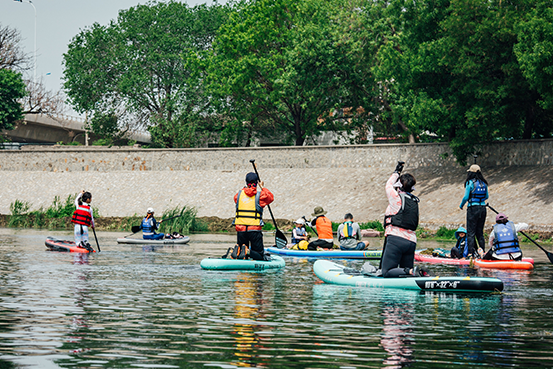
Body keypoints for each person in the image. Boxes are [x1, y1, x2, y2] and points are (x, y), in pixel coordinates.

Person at [373, 162, 428, 278]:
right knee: (405, 274)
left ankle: (411, 272)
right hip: (411, 242)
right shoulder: (414, 201)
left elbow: (388, 185)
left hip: (396, 240)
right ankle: (413, 272)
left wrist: (397, 172)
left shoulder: (396, 198)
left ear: (398, 186)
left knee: (386, 272)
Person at [231, 172, 274, 260]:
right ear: (257, 182)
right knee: (259, 255)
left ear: (246, 182)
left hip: (241, 229)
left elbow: (241, 199)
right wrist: (262, 187)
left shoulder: (238, 195)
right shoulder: (260, 195)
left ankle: (239, 251)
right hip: (254, 229)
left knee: (242, 255)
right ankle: (248, 251)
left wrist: (245, 189)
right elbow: (270, 198)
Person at [459, 164, 488, 258]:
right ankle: (482, 251)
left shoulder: (470, 183)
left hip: (473, 209)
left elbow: (466, 197)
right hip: (483, 209)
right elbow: (486, 196)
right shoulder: (484, 183)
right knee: (479, 232)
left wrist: (461, 205)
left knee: (471, 232)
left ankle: (470, 254)